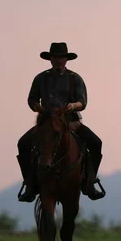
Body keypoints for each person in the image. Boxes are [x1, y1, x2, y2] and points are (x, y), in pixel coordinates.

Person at [16, 42, 105, 202]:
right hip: (46, 124)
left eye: (61, 58)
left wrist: (73, 106)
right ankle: (29, 184)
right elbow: (32, 99)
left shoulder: (74, 78)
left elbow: (82, 102)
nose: (58, 60)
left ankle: (90, 182)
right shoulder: (40, 78)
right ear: (50, 59)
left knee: (96, 143)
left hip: (71, 122)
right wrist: (36, 106)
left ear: (66, 59)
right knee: (23, 144)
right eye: (55, 58)